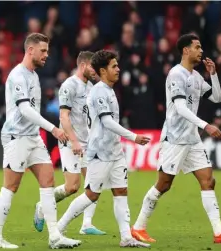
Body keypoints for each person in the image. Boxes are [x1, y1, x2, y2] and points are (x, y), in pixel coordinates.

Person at [131, 33, 221, 244]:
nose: (201, 51)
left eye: (201, 47)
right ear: (186, 50)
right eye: (197, 47)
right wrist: (206, 125)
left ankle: (219, 232)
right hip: (175, 138)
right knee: (163, 185)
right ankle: (138, 227)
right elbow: (181, 108)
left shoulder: (196, 77)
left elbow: (217, 97)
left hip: (192, 139)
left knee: (208, 181)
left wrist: (213, 74)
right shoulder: (177, 75)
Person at [0, 33, 81, 249]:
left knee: (47, 180)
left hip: (32, 137)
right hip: (16, 136)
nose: (46, 55)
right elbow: (24, 109)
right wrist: (53, 129)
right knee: (11, 185)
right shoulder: (18, 76)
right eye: (43, 51)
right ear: (30, 50)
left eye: (47, 51)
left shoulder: (33, 75)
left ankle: (54, 236)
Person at [56, 50, 151, 248]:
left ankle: (126, 237)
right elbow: (106, 121)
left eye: (117, 65)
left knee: (121, 191)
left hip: (114, 151)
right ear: (103, 70)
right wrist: (133, 137)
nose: (118, 69)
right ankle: (58, 229)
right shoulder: (98, 91)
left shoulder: (108, 90)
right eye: (114, 66)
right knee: (91, 194)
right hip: (99, 152)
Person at [33, 51, 105, 235]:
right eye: (92, 67)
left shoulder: (91, 87)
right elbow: (64, 117)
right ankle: (42, 206)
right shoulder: (69, 86)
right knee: (72, 186)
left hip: (88, 143)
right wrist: (74, 142)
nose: (95, 71)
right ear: (83, 65)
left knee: (94, 183)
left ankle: (86, 224)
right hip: (70, 141)